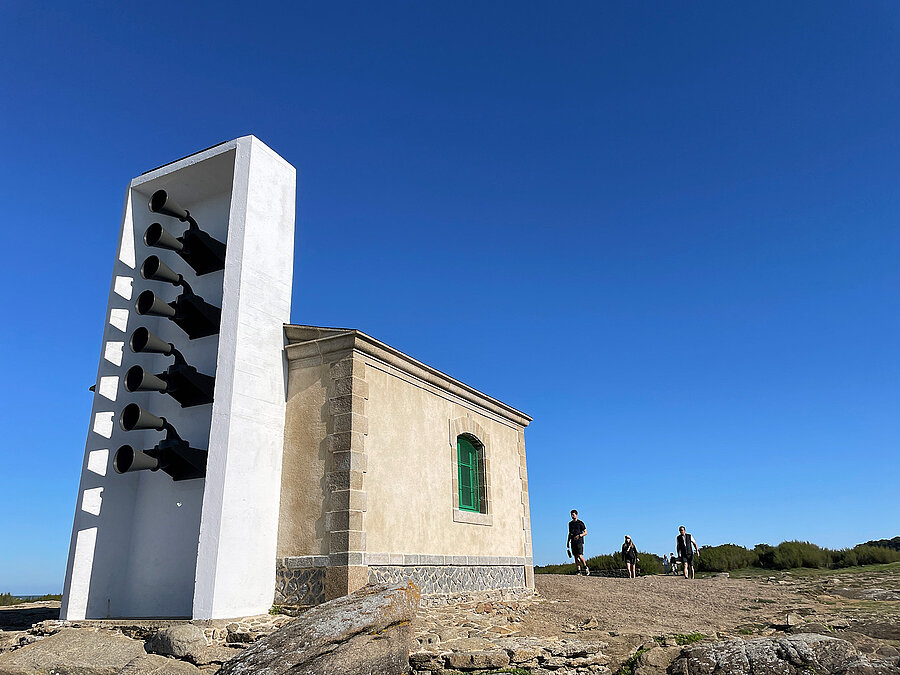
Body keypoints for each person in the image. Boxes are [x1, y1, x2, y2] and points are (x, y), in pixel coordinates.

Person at [567, 510, 588, 576]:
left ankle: (585, 567)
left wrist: (579, 535)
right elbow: (569, 533)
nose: (572, 516)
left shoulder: (580, 523)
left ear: (576, 515)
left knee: (580, 555)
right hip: (573, 541)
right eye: (571, 515)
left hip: (579, 541)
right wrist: (567, 542)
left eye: (573, 514)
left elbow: (585, 532)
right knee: (575, 557)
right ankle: (579, 571)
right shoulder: (570, 524)